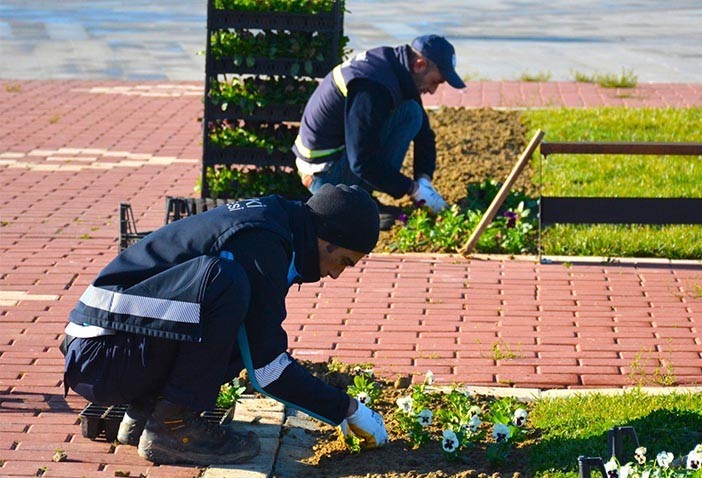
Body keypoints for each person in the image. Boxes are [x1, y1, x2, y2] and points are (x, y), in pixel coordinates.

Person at [62, 184, 388, 465]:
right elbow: (268, 369)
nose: (335, 274)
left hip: (111, 350)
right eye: (344, 261)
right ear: (326, 239)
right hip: (102, 357)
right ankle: (173, 427)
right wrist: (346, 409)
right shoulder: (262, 242)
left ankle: (148, 414)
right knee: (227, 284)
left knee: (241, 317)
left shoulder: (277, 225)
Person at [293, 34, 466, 229]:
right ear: (419, 64)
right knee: (409, 114)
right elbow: (362, 161)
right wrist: (412, 189)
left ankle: (361, 197)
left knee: (412, 113)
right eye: (436, 81)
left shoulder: (396, 67)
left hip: (337, 157)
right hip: (325, 174)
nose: (433, 90)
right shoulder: (372, 85)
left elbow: (424, 134)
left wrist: (423, 179)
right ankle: (355, 202)